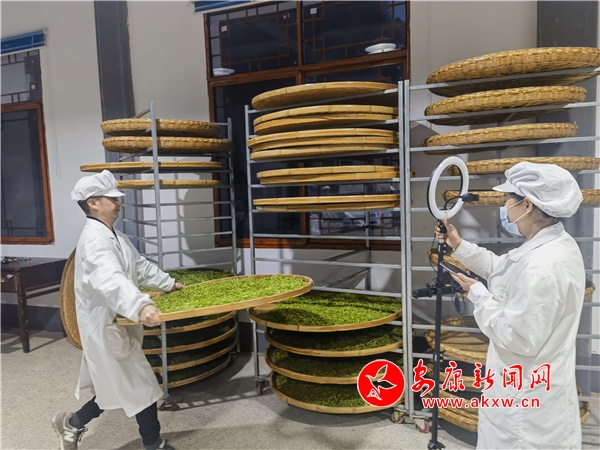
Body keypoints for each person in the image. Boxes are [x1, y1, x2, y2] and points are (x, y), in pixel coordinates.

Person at [435, 162, 585, 449]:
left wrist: (478, 294)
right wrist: (459, 245)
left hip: (526, 398)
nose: (504, 207)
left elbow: (518, 336)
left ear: (527, 204)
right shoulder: (551, 244)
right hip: (531, 383)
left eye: (507, 200)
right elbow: (504, 269)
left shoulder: (542, 265)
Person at [53, 170, 183, 450]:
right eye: (111, 198)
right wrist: (140, 305)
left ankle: (72, 423)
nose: (118, 202)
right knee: (142, 386)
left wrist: (168, 283)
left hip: (116, 325)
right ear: (93, 203)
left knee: (114, 386)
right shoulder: (94, 241)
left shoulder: (116, 236)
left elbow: (138, 266)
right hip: (106, 327)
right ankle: (153, 445)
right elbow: (110, 279)